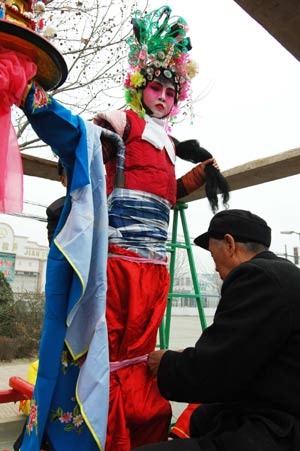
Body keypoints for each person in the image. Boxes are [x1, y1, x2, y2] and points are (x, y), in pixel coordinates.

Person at [4, 6, 230, 451]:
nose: (163, 95)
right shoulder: (124, 122)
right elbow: (81, 142)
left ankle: (137, 423)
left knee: (141, 351)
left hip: (155, 267)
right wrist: (33, 99)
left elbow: (166, 193)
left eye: (170, 90)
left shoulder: (166, 142)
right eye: (156, 87)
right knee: (106, 349)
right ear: (139, 88)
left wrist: (200, 175)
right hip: (119, 262)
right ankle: (102, 431)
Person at [136, 209, 300, 451]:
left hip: (278, 429)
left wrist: (166, 363)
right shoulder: (285, 274)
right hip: (277, 405)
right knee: (202, 419)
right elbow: (244, 352)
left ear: (230, 244)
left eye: (213, 258)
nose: (215, 270)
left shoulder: (255, 277)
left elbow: (218, 370)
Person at [46, 160, 67, 245]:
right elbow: (55, 247)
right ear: (63, 180)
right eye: (72, 174)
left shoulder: (104, 207)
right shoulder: (55, 211)